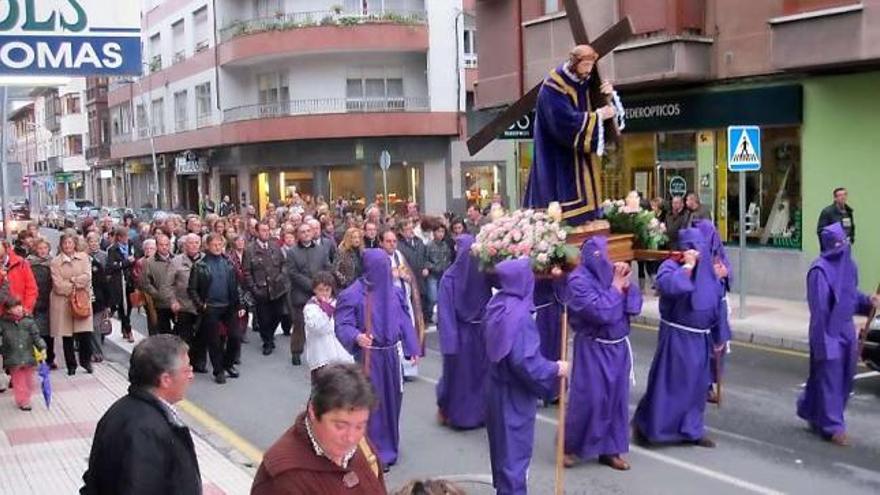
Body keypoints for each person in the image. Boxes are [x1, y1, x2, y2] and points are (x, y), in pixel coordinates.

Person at [484, 258, 569, 494]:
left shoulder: (497, 303)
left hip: (496, 388)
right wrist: (556, 369)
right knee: (515, 456)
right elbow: (526, 362)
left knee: (502, 452)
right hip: (515, 393)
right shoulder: (520, 317)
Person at [632, 228, 723, 448]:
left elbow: (717, 303)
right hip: (677, 336)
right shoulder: (670, 267)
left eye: (699, 248)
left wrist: (720, 337)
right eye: (690, 248)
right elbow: (671, 286)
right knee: (671, 384)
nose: (696, 253)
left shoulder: (709, 273)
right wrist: (688, 267)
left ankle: (691, 430)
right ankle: (654, 428)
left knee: (697, 387)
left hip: (701, 339)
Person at [80, 335, 200, 495]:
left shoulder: (121, 410)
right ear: (165, 379)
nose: (191, 376)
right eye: (187, 370)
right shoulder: (145, 430)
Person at [562, 236, 642, 471]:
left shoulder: (613, 273)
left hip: (618, 347)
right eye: (598, 256)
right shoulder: (577, 281)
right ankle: (572, 446)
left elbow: (634, 307)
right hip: (593, 348)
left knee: (617, 400)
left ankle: (611, 449)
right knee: (590, 399)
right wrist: (617, 287)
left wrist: (627, 286)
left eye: (605, 254)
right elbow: (601, 313)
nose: (603, 261)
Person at [335, 249, 420, 468]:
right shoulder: (353, 294)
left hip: (392, 355)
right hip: (369, 357)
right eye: (382, 266)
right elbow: (342, 324)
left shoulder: (394, 292)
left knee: (393, 402)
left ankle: (390, 446)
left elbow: (403, 320)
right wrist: (356, 336)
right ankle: (373, 451)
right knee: (372, 404)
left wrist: (413, 348)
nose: (387, 270)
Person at [797, 223, 879, 446]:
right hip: (827, 329)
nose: (843, 247)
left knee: (842, 376)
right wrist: (826, 341)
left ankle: (811, 409)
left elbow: (850, 295)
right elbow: (820, 309)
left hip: (846, 329)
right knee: (830, 376)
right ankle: (833, 426)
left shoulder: (849, 267)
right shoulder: (819, 271)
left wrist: (867, 302)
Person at [523, 44, 621, 226]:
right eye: (585, 66)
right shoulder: (553, 86)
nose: (588, 71)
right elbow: (563, 123)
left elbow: (599, 104)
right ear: (574, 63)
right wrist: (598, 116)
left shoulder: (583, 81)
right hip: (559, 157)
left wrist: (607, 95)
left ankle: (591, 217)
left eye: (591, 66)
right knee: (564, 200)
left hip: (581, 157)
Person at [251, 363, 385, 494]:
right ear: (313, 412)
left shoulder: (364, 448)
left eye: (360, 426)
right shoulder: (282, 479)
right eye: (340, 426)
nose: (351, 438)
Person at [435, 234, 491, 429]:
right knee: (463, 377)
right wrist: (450, 343)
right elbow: (445, 314)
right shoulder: (450, 278)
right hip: (465, 334)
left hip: (476, 332)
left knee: (478, 375)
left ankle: (479, 413)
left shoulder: (482, 273)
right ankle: (461, 415)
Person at [188, 234, 242, 384]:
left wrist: (240, 303)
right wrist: (201, 305)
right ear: (208, 246)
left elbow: (236, 285)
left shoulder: (228, 263)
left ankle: (228, 364)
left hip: (228, 305)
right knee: (214, 341)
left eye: (220, 244)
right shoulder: (200, 265)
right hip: (210, 307)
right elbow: (192, 289)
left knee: (235, 336)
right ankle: (218, 370)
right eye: (215, 245)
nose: (218, 247)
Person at [693, 219, 732, 404]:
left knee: (719, 346)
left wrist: (725, 272)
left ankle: (712, 383)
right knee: (705, 349)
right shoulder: (695, 252)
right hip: (704, 307)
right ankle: (704, 386)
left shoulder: (718, 249)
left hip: (720, 304)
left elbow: (727, 269)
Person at [288, 222, 333, 366]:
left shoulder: (321, 249)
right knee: (299, 324)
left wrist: (323, 286)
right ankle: (296, 351)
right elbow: (293, 273)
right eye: (303, 232)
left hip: (320, 292)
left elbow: (327, 267)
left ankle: (320, 353)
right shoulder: (292, 252)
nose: (306, 233)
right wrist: (311, 285)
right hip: (301, 293)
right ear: (298, 235)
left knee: (320, 322)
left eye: (308, 231)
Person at [50, 234, 94, 375]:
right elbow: (58, 285)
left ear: (74, 244)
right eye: (65, 243)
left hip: (81, 299)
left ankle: (86, 361)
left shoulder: (83, 258)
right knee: (67, 335)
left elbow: (87, 277)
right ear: (61, 245)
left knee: (85, 333)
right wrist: (75, 284)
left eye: (70, 243)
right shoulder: (56, 262)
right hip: (63, 302)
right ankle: (71, 365)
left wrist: (71, 280)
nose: (68, 245)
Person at [243, 222, 289, 356]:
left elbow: (284, 264)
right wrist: (253, 288)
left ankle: (270, 334)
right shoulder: (250, 249)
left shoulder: (275, 246)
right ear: (257, 232)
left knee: (279, 314)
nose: (266, 233)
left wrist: (281, 276)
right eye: (263, 230)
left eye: (267, 230)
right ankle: (267, 342)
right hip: (261, 289)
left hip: (277, 289)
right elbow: (247, 271)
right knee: (263, 319)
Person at [304, 272, 354, 379]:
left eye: (327, 290)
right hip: (320, 356)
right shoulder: (311, 308)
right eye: (320, 290)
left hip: (338, 353)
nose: (324, 293)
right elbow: (317, 327)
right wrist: (325, 311)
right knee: (322, 390)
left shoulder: (336, 303)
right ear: (314, 290)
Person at [0, 297, 46, 411]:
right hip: (12, 356)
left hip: (28, 355)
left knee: (29, 380)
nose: (19, 309)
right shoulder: (3, 323)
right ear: (8, 310)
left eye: (19, 306)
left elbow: (36, 336)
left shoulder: (28, 321)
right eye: (15, 307)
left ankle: (26, 396)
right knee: (18, 380)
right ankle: (23, 401)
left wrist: (42, 347)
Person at [170, 234, 204, 370]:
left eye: (197, 242)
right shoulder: (176, 262)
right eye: (191, 243)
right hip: (184, 305)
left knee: (202, 335)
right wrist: (173, 301)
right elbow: (169, 284)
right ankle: (186, 362)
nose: (194, 245)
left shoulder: (205, 259)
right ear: (185, 245)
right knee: (186, 337)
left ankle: (200, 362)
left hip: (202, 304)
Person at [106, 227, 137, 342]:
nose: (126, 239)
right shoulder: (113, 249)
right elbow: (111, 266)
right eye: (124, 236)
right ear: (119, 237)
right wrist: (125, 262)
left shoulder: (130, 246)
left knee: (129, 306)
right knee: (122, 306)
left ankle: (124, 327)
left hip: (130, 280)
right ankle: (128, 330)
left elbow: (135, 258)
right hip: (119, 281)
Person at [141, 234, 176, 336]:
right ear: (157, 246)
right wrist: (157, 294)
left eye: (166, 244)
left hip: (176, 302)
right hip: (160, 303)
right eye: (161, 245)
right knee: (164, 330)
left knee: (179, 330)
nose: (164, 247)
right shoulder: (149, 262)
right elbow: (145, 283)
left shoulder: (176, 259)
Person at [28, 239, 55, 369]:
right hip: (37, 302)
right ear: (36, 250)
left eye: (45, 248)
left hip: (51, 302)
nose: (43, 250)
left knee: (50, 334)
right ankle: (40, 358)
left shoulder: (53, 263)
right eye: (40, 248)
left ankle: (50, 358)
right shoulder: (30, 264)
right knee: (37, 333)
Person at [396, 221, 429, 325]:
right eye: (407, 229)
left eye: (411, 228)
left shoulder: (419, 242)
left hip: (420, 277)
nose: (411, 231)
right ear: (401, 231)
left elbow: (425, 256)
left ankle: (423, 322)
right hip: (408, 278)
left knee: (423, 299)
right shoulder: (399, 245)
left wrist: (426, 267)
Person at [85, 232, 111, 362]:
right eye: (91, 242)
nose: (94, 244)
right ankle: (91, 352)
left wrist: (107, 304)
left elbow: (105, 283)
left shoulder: (100, 260)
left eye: (96, 242)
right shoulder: (84, 261)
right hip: (85, 300)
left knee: (95, 327)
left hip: (98, 300)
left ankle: (98, 353)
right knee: (88, 329)